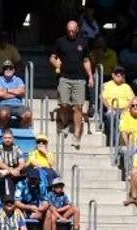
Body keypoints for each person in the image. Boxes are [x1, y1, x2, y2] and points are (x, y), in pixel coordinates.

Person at [51, 20, 93, 148]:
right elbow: (52, 57)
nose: (71, 32)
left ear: (77, 29)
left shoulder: (83, 42)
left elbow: (86, 60)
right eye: (69, 30)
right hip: (64, 77)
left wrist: (90, 76)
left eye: (73, 30)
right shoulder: (60, 41)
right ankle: (64, 123)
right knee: (63, 104)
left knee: (78, 107)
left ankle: (76, 134)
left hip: (80, 79)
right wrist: (55, 63)